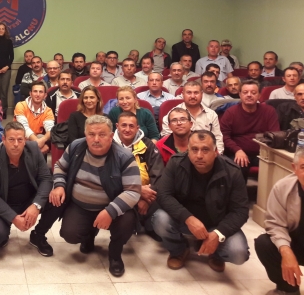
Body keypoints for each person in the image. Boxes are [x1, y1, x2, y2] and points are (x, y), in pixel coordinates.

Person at [31, 115, 140, 276]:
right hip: (80, 205)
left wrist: (110, 211)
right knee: (70, 234)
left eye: (102, 135)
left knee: (127, 221)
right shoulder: (76, 146)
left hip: (111, 207)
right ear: (85, 134)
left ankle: (115, 255)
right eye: (91, 134)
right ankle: (89, 235)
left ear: (111, 136)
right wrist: (59, 185)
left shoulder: (124, 156)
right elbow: (60, 166)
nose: (96, 139)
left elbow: (133, 191)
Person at [152, 130, 249, 272]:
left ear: (215, 152)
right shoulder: (176, 163)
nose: (199, 155)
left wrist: (219, 234)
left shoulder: (232, 171)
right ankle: (179, 250)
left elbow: (241, 211)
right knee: (160, 219)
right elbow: (163, 195)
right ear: (188, 151)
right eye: (194, 149)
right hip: (185, 222)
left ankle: (215, 254)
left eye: (205, 150)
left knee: (238, 253)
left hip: (216, 225)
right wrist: (188, 218)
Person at [0, 121, 53, 248]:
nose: (16, 144)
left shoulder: (34, 150)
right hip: (5, 202)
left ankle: (38, 235)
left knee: (57, 198)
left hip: (29, 200)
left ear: (25, 140)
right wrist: (14, 218)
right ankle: (5, 229)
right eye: (11, 139)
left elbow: (46, 179)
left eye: (20, 140)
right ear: (4, 140)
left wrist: (36, 205)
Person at [255, 148, 304, 295]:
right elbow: (275, 224)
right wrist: (286, 251)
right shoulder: (282, 188)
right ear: (294, 168)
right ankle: (288, 289)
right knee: (264, 243)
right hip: (296, 243)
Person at [113, 111, 164, 234]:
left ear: (137, 128)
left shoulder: (148, 145)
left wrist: (146, 200)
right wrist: (138, 192)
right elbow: (109, 179)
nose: (127, 129)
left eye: (131, 126)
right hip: (119, 194)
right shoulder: (110, 146)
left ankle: (147, 224)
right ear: (117, 126)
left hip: (148, 194)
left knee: (162, 199)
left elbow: (158, 174)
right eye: (124, 125)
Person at [221, 80, 280, 179]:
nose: (249, 95)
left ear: (259, 95)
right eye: (245, 92)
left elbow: (275, 134)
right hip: (238, 152)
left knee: (278, 167)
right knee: (239, 166)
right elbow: (224, 136)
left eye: (253, 92)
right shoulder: (231, 112)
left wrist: (266, 152)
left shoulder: (269, 111)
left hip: (263, 153)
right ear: (240, 94)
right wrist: (237, 150)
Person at [161, 80, 224, 153]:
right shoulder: (172, 115)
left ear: (202, 94)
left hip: (206, 154)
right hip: (179, 155)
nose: (193, 96)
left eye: (196, 93)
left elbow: (218, 139)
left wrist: (216, 156)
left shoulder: (211, 114)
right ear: (183, 94)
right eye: (189, 93)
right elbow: (167, 140)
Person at [14, 81, 55, 155]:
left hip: (37, 139)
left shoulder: (48, 110)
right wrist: (37, 143)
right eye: (35, 91)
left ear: (45, 95)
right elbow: (24, 128)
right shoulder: (21, 105)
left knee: (42, 138)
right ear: (30, 93)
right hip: (19, 137)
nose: (38, 94)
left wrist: (42, 141)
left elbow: (50, 130)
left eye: (41, 92)